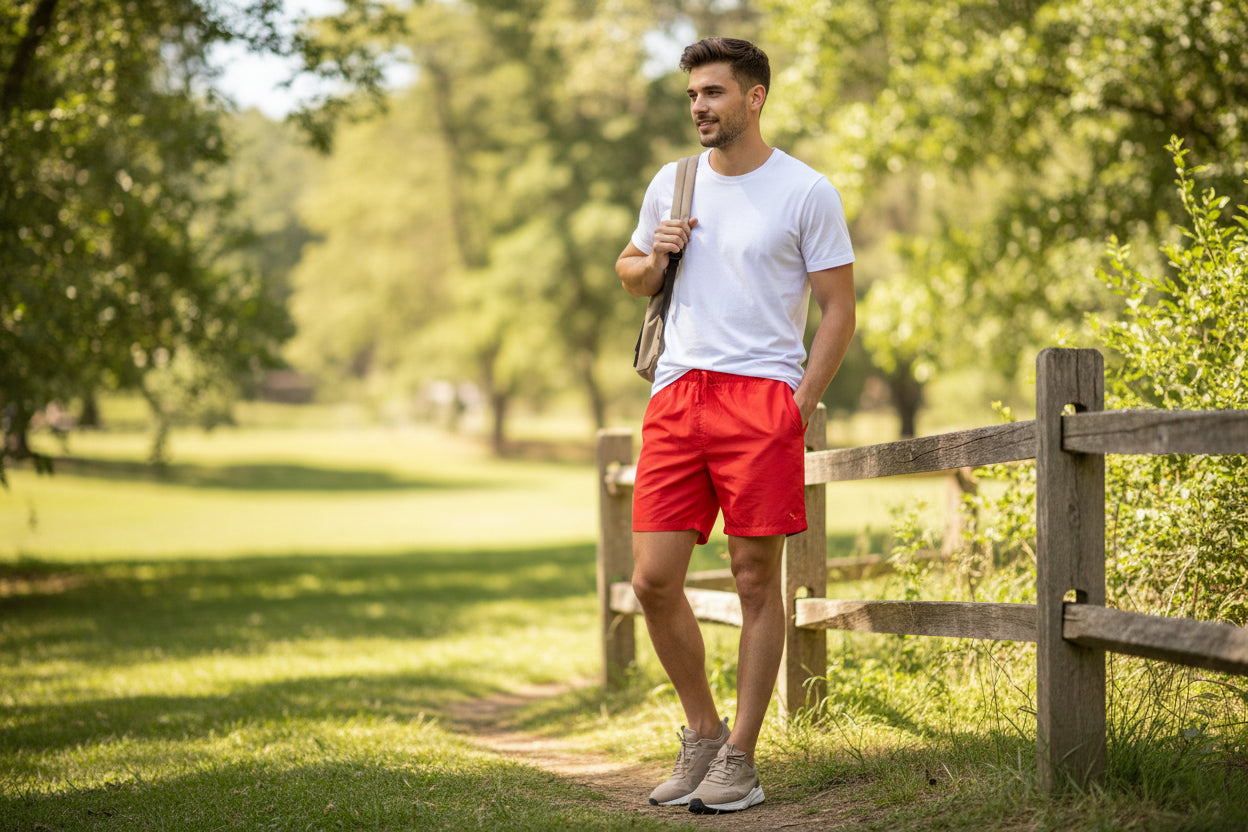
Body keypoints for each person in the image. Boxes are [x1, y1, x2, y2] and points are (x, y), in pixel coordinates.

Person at [614, 37, 856, 815]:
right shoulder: (673, 182)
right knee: (652, 580)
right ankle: (703, 734)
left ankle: (743, 760)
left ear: (754, 97)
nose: (698, 108)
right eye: (692, 96)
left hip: (762, 400)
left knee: (757, 582)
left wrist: (798, 405)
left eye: (713, 93)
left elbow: (838, 311)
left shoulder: (806, 191)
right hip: (680, 394)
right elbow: (629, 272)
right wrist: (654, 257)